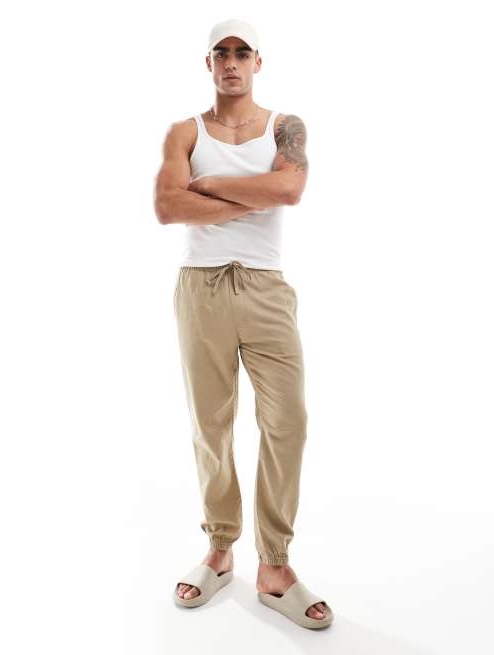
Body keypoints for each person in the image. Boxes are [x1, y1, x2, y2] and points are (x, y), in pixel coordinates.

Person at [154, 19, 333, 629]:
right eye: (220, 53)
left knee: (289, 420)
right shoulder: (185, 131)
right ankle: (220, 548)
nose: (231, 62)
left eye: (242, 53)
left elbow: (289, 191)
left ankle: (275, 564)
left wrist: (210, 186)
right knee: (211, 423)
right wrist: (255, 192)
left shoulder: (286, 126)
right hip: (200, 287)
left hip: (264, 287)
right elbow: (167, 206)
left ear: (259, 61)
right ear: (208, 64)